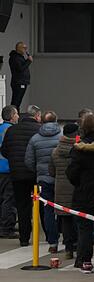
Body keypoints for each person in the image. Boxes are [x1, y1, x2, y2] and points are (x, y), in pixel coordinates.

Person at [66, 113, 94, 274]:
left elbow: (71, 172)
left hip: (83, 192)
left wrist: (78, 183)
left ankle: (85, 260)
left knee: (84, 229)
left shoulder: (78, 149)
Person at [0, 105, 40, 246]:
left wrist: (13, 159)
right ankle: (50, 237)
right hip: (33, 172)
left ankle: (24, 238)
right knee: (41, 203)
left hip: (16, 173)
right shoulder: (38, 130)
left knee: (22, 205)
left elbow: (4, 150)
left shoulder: (11, 130)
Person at [25, 111, 62, 253]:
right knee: (64, 209)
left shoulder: (35, 139)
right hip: (60, 178)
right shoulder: (62, 137)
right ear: (56, 120)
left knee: (47, 210)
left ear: (42, 122)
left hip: (43, 179)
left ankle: (52, 241)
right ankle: (68, 239)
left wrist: (38, 171)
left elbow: (29, 160)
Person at [49, 123, 78, 261]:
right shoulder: (79, 149)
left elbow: (51, 171)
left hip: (61, 188)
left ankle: (68, 248)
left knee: (65, 220)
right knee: (79, 218)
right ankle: (79, 245)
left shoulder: (55, 151)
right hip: (76, 187)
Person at [0, 105, 18, 239]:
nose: (18, 116)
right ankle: (7, 227)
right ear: (12, 116)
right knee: (9, 199)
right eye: (16, 114)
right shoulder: (12, 130)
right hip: (8, 168)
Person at [8, 42, 32, 109]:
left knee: (17, 102)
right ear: (19, 48)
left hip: (21, 82)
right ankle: (13, 116)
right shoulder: (15, 57)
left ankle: (15, 115)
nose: (26, 49)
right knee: (16, 101)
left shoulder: (19, 57)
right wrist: (28, 61)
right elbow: (20, 69)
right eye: (24, 48)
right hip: (19, 82)